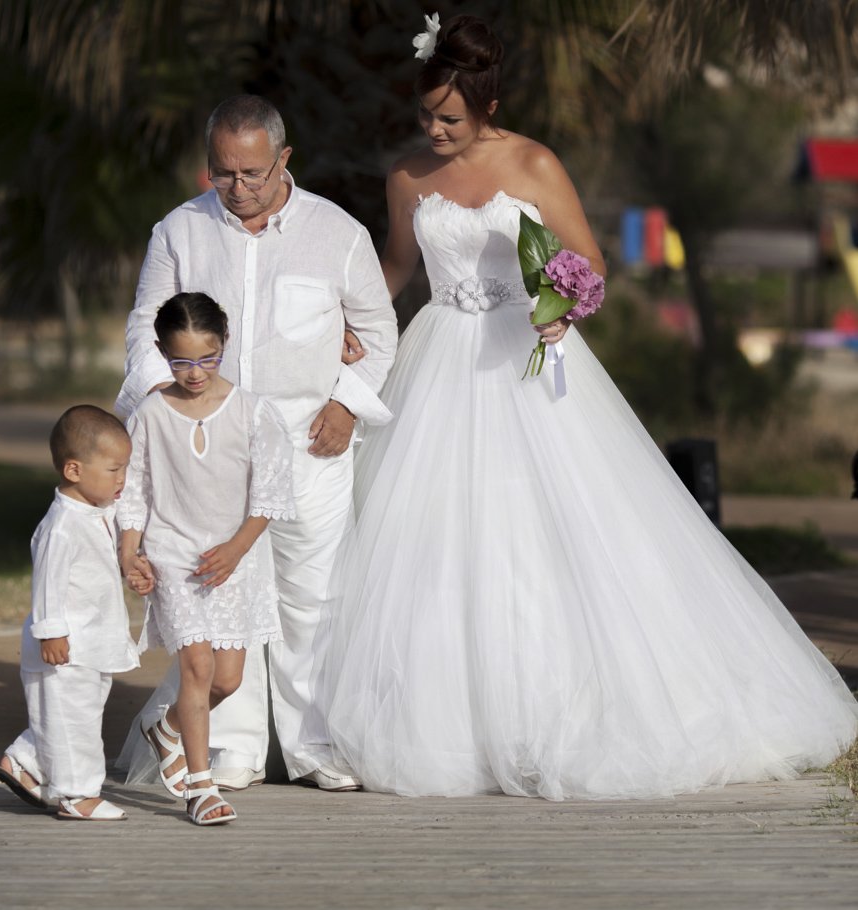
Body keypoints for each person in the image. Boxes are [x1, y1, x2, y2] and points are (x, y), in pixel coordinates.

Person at [324, 14, 858, 800]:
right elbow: (396, 268)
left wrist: (560, 305)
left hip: (524, 359)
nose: (434, 130)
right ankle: (445, 717)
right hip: (436, 359)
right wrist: (341, 325)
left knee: (547, 527)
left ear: (486, 102)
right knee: (429, 534)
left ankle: (549, 709)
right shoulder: (407, 177)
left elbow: (589, 264)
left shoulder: (535, 163)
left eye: (450, 117)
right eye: (426, 115)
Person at [114, 94, 397, 792]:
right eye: (222, 173)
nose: (237, 188)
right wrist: (170, 414)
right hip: (208, 453)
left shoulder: (339, 232)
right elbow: (144, 332)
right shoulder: (178, 230)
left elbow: (379, 332)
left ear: (283, 160)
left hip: (310, 444)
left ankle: (315, 747)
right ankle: (230, 748)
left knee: (313, 595)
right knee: (219, 595)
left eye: (252, 173)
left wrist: (346, 404)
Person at [117, 292, 294, 825]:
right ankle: (201, 787)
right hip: (173, 555)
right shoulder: (150, 412)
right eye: (180, 361)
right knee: (196, 666)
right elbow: (133, 487)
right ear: (161, 352)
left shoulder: (253, 411)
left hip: (234, 560)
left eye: (207, 358)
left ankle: (166, 728)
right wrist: (131, 551)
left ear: (225, 345)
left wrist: (237, 550)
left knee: (227, 680)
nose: (194, 373)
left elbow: (270, 492)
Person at [0, 406, 139, 821]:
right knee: (75, 723)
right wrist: (52, 631)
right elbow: (47, 586)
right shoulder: (61, 526)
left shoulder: (95, 513)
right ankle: (79, 795)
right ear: (74, 469)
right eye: (113, 469)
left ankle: (24, 761)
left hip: (91, 641)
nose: (121, 479)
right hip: (65, 645)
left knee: (72, 714)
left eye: (124, 468)